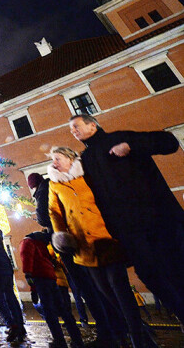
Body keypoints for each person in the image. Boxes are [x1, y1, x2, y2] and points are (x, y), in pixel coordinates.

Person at [69, 114, 184, 324]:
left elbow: (169, 142)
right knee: (150, 275)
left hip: (160, 221)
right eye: (71, 129)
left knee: (176, 269)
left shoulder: (120, 138)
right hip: (129, 232)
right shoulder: (85, 159)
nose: (73, 131)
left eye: (76, 126)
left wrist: (131, 145)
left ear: (92, 125)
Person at [48, 145, 148, 348]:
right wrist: (61, 235)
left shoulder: (88, 174)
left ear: (70, 158)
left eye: (57, 158)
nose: (54, 163)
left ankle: (139, 337)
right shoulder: (54, 185)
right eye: (53, 159)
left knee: (121, 291)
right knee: (107, 294)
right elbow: (54, 211)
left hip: (107, 240)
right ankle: (139, 333)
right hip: (84, 248)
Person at [29, 170, 120, 347]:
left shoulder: (43, 192)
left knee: (87, 289)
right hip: (83, 241)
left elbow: (43, 217)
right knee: (99, 286)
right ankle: (117, 326)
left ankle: (107, 332)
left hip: (68, 245)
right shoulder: (60, 185)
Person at [20, 230, 85, 348]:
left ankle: (59, 341)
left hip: (40, 279)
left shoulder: (26, 242)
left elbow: (27, 265)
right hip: (51, 277)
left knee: (49, 312)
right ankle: (77, 339)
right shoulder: (41, 243)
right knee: (64, 311)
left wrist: (33, 289)